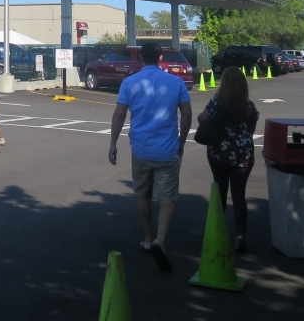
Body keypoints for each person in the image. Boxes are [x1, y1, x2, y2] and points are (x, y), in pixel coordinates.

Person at [108, 41, 192, 271]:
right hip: (168, 149)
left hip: (141, 149)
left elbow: (119, 114)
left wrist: (113, 144)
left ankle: (147, 239)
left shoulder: (129, 82)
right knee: (167, 198)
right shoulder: (175, 82)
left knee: (143, 195)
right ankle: (161, 240)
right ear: (161, 57)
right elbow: (186, 113)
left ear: (141, 58)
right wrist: (182, 141)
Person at [196, 66, 258, 252]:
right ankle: (240, 234)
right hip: (243, 155)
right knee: (239, 194)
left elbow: (201, 118)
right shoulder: (249, 106)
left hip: (219, 152)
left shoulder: (217, 103)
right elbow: (251, 130)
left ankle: (219, 230)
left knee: (220, 190)